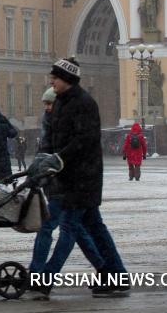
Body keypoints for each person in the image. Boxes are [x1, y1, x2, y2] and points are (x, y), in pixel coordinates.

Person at [31, 57, 130, 298]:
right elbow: (53, 137)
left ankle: (44, 278)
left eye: (55, 76)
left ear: (67, 79)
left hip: (84, 178)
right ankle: (116, 274)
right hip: (68, 178)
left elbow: (84, 141)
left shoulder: (85, 103)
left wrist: (59, 158)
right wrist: (43, 158)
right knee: (94, 227)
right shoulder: (61, 104)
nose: (51, 80)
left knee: (69, 228)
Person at [28, 87, 101, 283]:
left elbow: (69, 151)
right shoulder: (49, 121)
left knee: (52, 227)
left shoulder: (65, 122)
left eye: (49, 103)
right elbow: (45, 149)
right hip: (57, 184)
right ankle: (104, 267)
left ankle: (38, 274)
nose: (46, 107)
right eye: (44, 103)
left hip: (66, 184)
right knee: (78, 230)